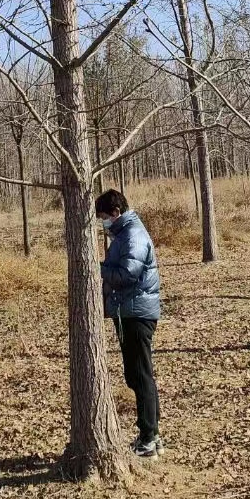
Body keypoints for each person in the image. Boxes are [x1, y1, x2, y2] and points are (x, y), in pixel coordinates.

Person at [95, 188, 162, 458]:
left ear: (115, 213)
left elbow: (128, 274)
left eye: (102, 217)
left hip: (136, 312)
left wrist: (96, 267)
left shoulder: (132, 234)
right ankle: (152, 435)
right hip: (130, 310)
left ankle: (149, 438)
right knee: (136, 375)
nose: (102, 223)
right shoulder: (124, 233)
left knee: (140, 375)